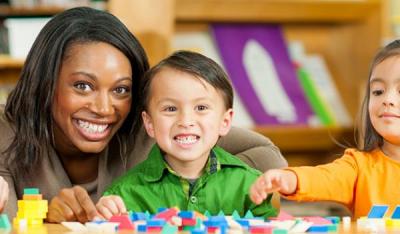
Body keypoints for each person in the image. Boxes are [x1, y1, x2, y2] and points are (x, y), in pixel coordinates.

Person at [0, 7, 286, 222]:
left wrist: (194, 193)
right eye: (83, 86)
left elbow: (265, 155)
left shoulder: (154, 128)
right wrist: (47, 213)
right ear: (45, 82)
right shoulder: (8, 129)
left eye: (121, 90)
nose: (103, 108)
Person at [96, 51, 278, 219]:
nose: (185, 121)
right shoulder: (123, 195)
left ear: (225, 121)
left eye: (201, 108)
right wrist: (106, 221)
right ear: (149, 123)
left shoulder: (252, 186)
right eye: (170, 109)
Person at [250, 39, 400, 219]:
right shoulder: (358, 166)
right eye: (378, 91)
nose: (387, 99)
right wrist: (289, 179)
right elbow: (322, 178)